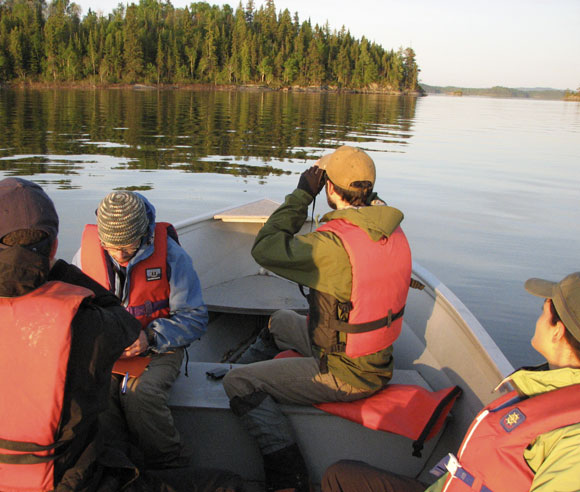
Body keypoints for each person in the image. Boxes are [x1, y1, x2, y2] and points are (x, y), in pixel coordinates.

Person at [222, 145, 413, 491]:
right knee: (280, 319)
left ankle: (289, 476)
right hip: (373, 359)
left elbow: (264, 249)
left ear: (329, 189)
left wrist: (301, 194)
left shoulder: (330, 247)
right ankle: (238, 366)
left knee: (239, 385)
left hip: (346, 374)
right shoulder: (388, 230)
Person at [321, 271, 580, 492]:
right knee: (340, 474)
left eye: (542, 311)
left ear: (557, 331)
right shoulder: (548, 386)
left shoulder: (574, 442)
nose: (537, 321)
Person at [0, 177, 142, 490]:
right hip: (66, 480)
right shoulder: (84, 324)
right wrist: (59, 270)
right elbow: (127, 326)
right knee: (225, 483)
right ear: (52, 247)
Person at [73, 190, 209, 470]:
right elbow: (73, 314)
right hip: (109, 352)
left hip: (161, 347)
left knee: (141, 396)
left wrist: (149, 338)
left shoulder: (173, 257)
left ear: (144, 233)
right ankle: (117, 465)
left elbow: (195, 317)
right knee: (94, 393)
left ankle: (170, 463)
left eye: (128, 245)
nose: (120, 255)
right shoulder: (84, 256)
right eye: (112, 247)